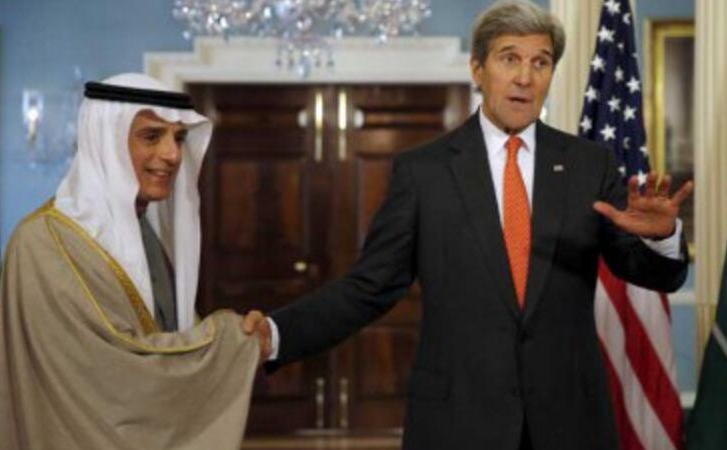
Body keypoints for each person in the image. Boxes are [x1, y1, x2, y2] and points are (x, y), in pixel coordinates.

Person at [246, 1, 693, 449]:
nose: (525, 77)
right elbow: (369, 287)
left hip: (570, 421)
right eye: (509, 58)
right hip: (458, 421)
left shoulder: (590, 165)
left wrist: (663, 238)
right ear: (477, 70)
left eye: (540, 63)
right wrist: (278, 333)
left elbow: (648, 273)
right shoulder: (424, 172)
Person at [0, 73, 263, 450]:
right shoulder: (41, 243)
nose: (173, 154)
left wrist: (235, 340)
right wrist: (233, 341)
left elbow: (162, 333)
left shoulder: (142, 231)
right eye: (152, 136)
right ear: (106, 142)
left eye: (179, 138)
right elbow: (118, 373)